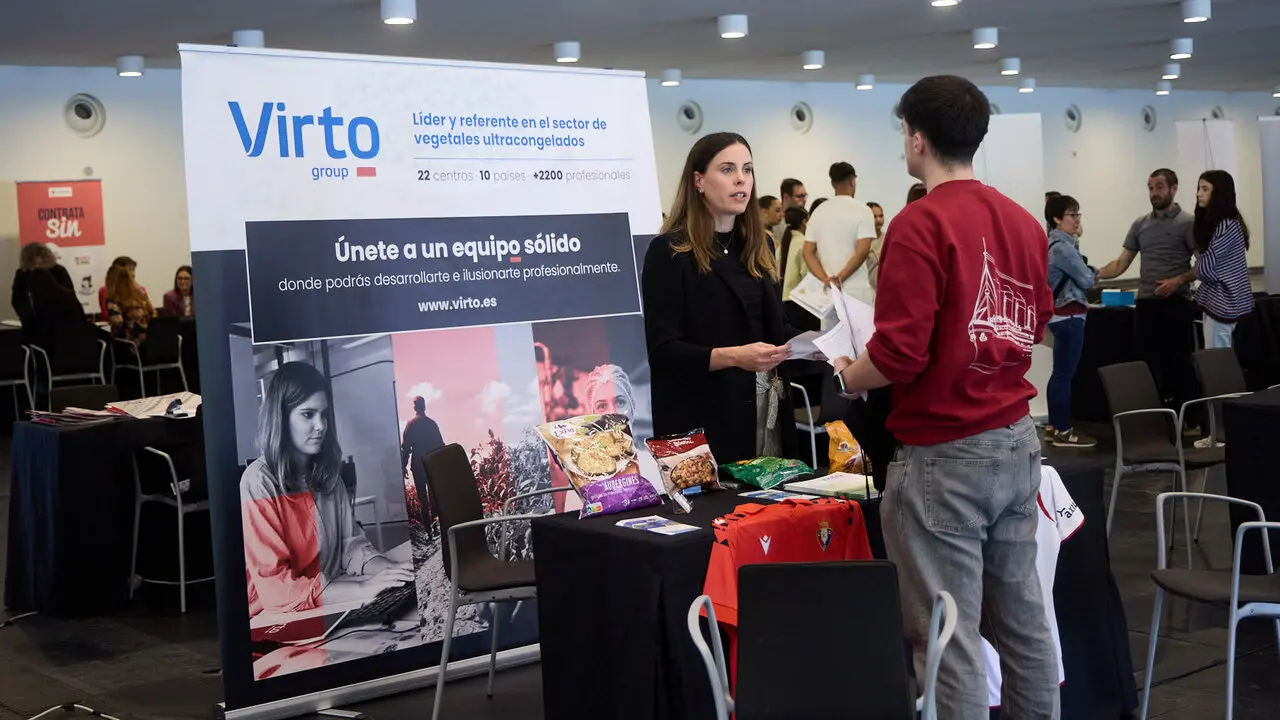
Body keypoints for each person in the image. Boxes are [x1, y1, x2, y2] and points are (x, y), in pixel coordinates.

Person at [833, 75, 1056, 719]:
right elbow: (1033, 323)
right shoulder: (1020, 219)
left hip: (943, 451)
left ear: (916, 137)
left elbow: (901, 353)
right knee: (1024, 627)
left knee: (947, 637)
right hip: (1015, 439)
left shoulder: (918, 223)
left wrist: (850, 374)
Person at [643, 131, 797, 464]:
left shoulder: (762, 247)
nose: (741, 179)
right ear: (698, 180)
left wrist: (821, 347)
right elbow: (664, 352)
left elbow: (778, 329)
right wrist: (733, 357)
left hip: (764, 420)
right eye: (727, 169)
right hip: (704, 423)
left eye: (748, 169)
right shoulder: (670, 252)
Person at [241, 362, 413, 618]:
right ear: (281, 418)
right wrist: (363, 588)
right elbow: (278, 590)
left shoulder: (329, 476)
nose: (321, 425)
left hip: (334, 599)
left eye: (324, 414)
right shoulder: (257, 481)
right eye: (308, 414)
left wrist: (390, 570)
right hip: (279, 616)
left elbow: (351, 547)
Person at [1097, 169, 1197, 417]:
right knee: (1147, 364)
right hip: (1147, 306)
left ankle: (1187, 420)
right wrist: (1091, 274)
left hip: (1177, 304)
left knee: (1179, 365)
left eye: (1159, 187)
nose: (1154, 193)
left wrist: (1177, 281)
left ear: (1174, 189)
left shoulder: (1188, 222)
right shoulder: (1140, 224)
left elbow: (1203, 264)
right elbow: (1121, 263)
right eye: (1150, 187)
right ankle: (1153, 419)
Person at [1044, 194, 1099, 448]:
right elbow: (1087, 280)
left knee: (1060, 373)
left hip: (1061, 316)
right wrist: (1093, 272)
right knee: (1064, 375)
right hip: (1069, 316)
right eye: (1072, 215)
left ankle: (1055, 426)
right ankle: (1064, 430)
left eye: (1078, 214)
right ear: (1057, 219)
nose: (1077, 220)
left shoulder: (1057, 244)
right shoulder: (1063, 247)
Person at [1193, 170, 1253, 349]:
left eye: (1205, 189)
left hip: (1223, 303)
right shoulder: (1228, 223)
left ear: (1219, 193)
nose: (1198, 193)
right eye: (1198, 188)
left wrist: (1199, 259)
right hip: (1222, 303)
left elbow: (1203, 269)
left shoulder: (1226, 226)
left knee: (1217, 364)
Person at [803, 161, 878, 305]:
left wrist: (826, 279)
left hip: (829, 293)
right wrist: (840, 278)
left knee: (831, 328)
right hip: (857, 293)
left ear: (832, 183)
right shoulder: (863, 211)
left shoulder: (818, 212)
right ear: (852, 181)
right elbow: (862, 251)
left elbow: (807, 252)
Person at [401, 395, 445, 539]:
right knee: (433, 496)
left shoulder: (411, 424)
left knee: (423, 498)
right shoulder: (432, 424)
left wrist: (403, 466)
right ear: (424, 406)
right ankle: (435, 527)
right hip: (432, 464)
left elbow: (406, 448)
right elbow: (441, 445)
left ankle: (428, 531)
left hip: (418, 465)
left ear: (415, 407)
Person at [777, 206, 818, 332]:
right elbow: (808, 274)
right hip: (802, 304)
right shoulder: (805, 244)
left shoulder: (783, 244)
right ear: (805, 222)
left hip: (783, 301)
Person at [105, 263, 155, 342]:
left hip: (131, 345)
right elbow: (153, 313)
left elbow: (118, 322)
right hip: (152, 342)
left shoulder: (113, 301)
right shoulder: (140, 295)